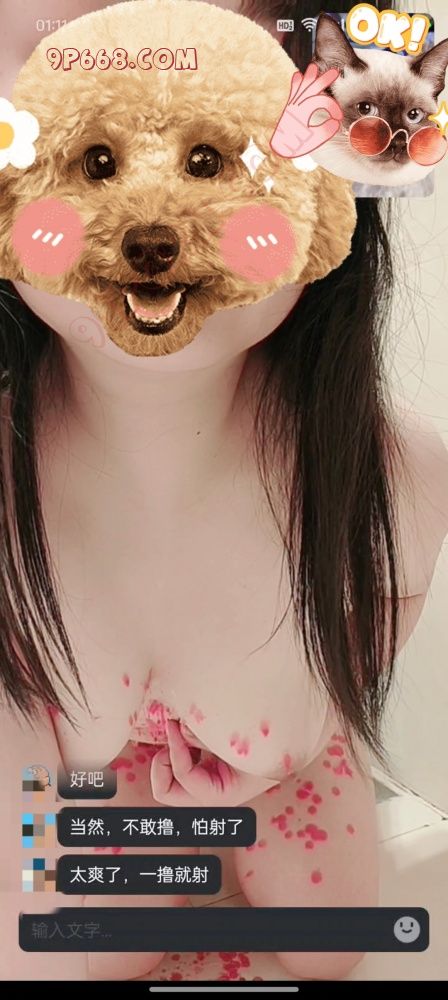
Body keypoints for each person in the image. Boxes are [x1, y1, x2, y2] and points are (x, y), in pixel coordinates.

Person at [1, 0, 447, 983]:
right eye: (96, 155)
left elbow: (395, 591)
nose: (151, 227)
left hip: (284, 745)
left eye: (216, 155)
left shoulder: (397, 471)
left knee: (330, 944)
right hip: (92, 765)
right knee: (99, 953)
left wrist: (316, 710)